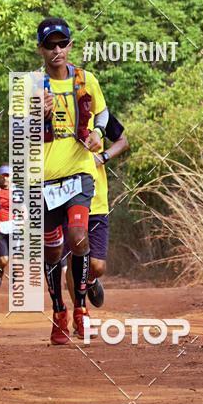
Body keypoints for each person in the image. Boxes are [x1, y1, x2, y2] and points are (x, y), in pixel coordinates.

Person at [37, 17, 108, 345]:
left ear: (70, 45)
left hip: (79, 175)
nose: (57, 50)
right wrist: (38, 116)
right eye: (50, 45)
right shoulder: (30, 87)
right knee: (52, 253)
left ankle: (80, 308)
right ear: (40, 49)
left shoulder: (86, 79)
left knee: (78, 237)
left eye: (62, 43)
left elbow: (103, 113)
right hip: (45, 181)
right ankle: (58, 311)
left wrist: (98, 132)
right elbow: (18, 135)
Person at [64, 113, 129, 309]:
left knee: (97, 266)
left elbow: (123, 141)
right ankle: (80, 313)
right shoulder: (58, 114)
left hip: (96, 200)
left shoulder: (99, 114)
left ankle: (91, 280)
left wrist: (103, 157)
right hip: (66, 197)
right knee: (73, 257)